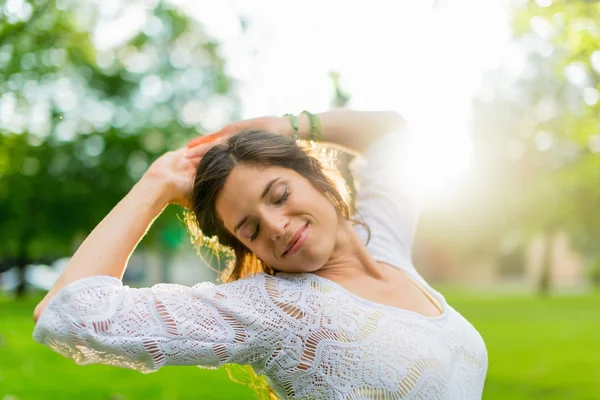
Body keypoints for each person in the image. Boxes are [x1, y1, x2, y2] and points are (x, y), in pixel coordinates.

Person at [33, 109, 488, 399]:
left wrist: (289, 125)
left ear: (317, 176)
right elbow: (67, 314)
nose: (276, 226)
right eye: (249, 228)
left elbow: (393, 134)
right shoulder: (275, 308)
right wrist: (154, 186)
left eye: (279, 194)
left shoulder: (382, 243)